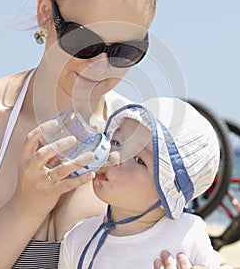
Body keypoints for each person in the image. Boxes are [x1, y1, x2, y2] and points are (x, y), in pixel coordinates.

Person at [0, 0, 226, 269]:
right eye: (82, 40)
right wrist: (26, 207)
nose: (100, 66)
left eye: (124, 51)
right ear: (44, 13)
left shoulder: (143, 148)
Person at [58, 98, 224, 269]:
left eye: (139, 160)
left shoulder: (186, 236)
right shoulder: (78, 239)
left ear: (167, 195)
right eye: (117, 143)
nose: (114, 156)